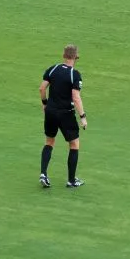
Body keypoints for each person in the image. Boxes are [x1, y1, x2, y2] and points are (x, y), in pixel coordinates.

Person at [38, 44, 87, 189]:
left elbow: (42, 88)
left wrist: (45, 103)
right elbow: (76, 97)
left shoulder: (53, 68)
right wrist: (83, 116)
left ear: (64, 56)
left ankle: (43, 174)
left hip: (51, 112)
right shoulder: (74, 74)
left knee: (49, 141)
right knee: (74, 144)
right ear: (75, 57)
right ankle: (71, 180)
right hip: (66, 114)